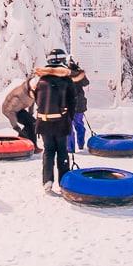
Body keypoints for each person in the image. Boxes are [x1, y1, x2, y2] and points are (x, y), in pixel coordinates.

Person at [34, 48, 76, 192]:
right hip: (60, 122)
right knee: (62, 151)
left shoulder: (41, 80)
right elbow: (72, 101)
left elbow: (36, 99)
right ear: (63, 60)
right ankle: (64, 181)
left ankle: (47, 181)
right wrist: (69, 118)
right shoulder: (66, 80)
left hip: (43, 122)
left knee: (48, 151)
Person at [1, 74, 40, 151]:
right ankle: (29, 145)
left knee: (32, 123)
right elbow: (10, 111)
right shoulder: (18, 96)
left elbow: (32, 102)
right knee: (31, 124)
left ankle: (30, 145)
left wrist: (30, 114)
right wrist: (16, 127)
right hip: (9, 110)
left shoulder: (32, 91)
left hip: (19, 108)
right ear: (30, 89)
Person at [67, 59, 89, 153]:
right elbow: (86, 82)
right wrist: (80, 72)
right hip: (79, 104)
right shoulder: (79, 75)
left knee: (69, 127)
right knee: (79, 124)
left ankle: (70, 148)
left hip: (69, 105)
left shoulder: (65, 75)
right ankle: (80, 144)